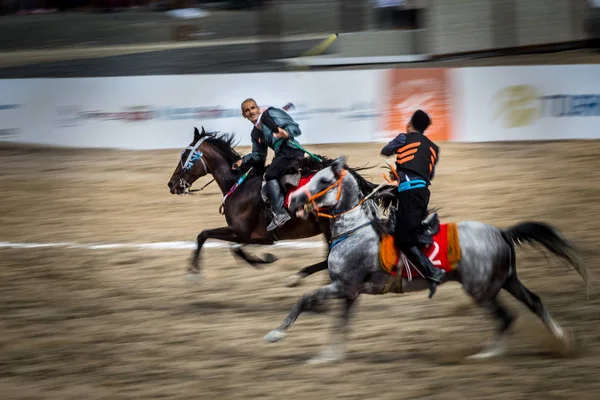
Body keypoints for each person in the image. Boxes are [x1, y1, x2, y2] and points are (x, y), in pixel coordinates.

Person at [380, 109, 444, 299]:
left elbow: (385, 151)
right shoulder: (434, 148)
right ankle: (421, 229)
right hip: (422, 192)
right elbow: (428, 174)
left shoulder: (404, 137)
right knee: (395, 225)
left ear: (410, 124)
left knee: (403, 238)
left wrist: (400, 168)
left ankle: (432, 271)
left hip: (408, 192)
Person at [233, 98, 305, 232]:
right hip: (281, 155)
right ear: (243, 115)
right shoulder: (255, 133)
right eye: (247, 110)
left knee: (270, 175)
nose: (251, 112)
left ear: (258, 108)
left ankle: (281, 213)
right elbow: (258, 154)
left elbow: (295, 128)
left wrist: (286, 133)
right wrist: (243, 160)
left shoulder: (271, 114)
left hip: (291, 151)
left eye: (253, 108)